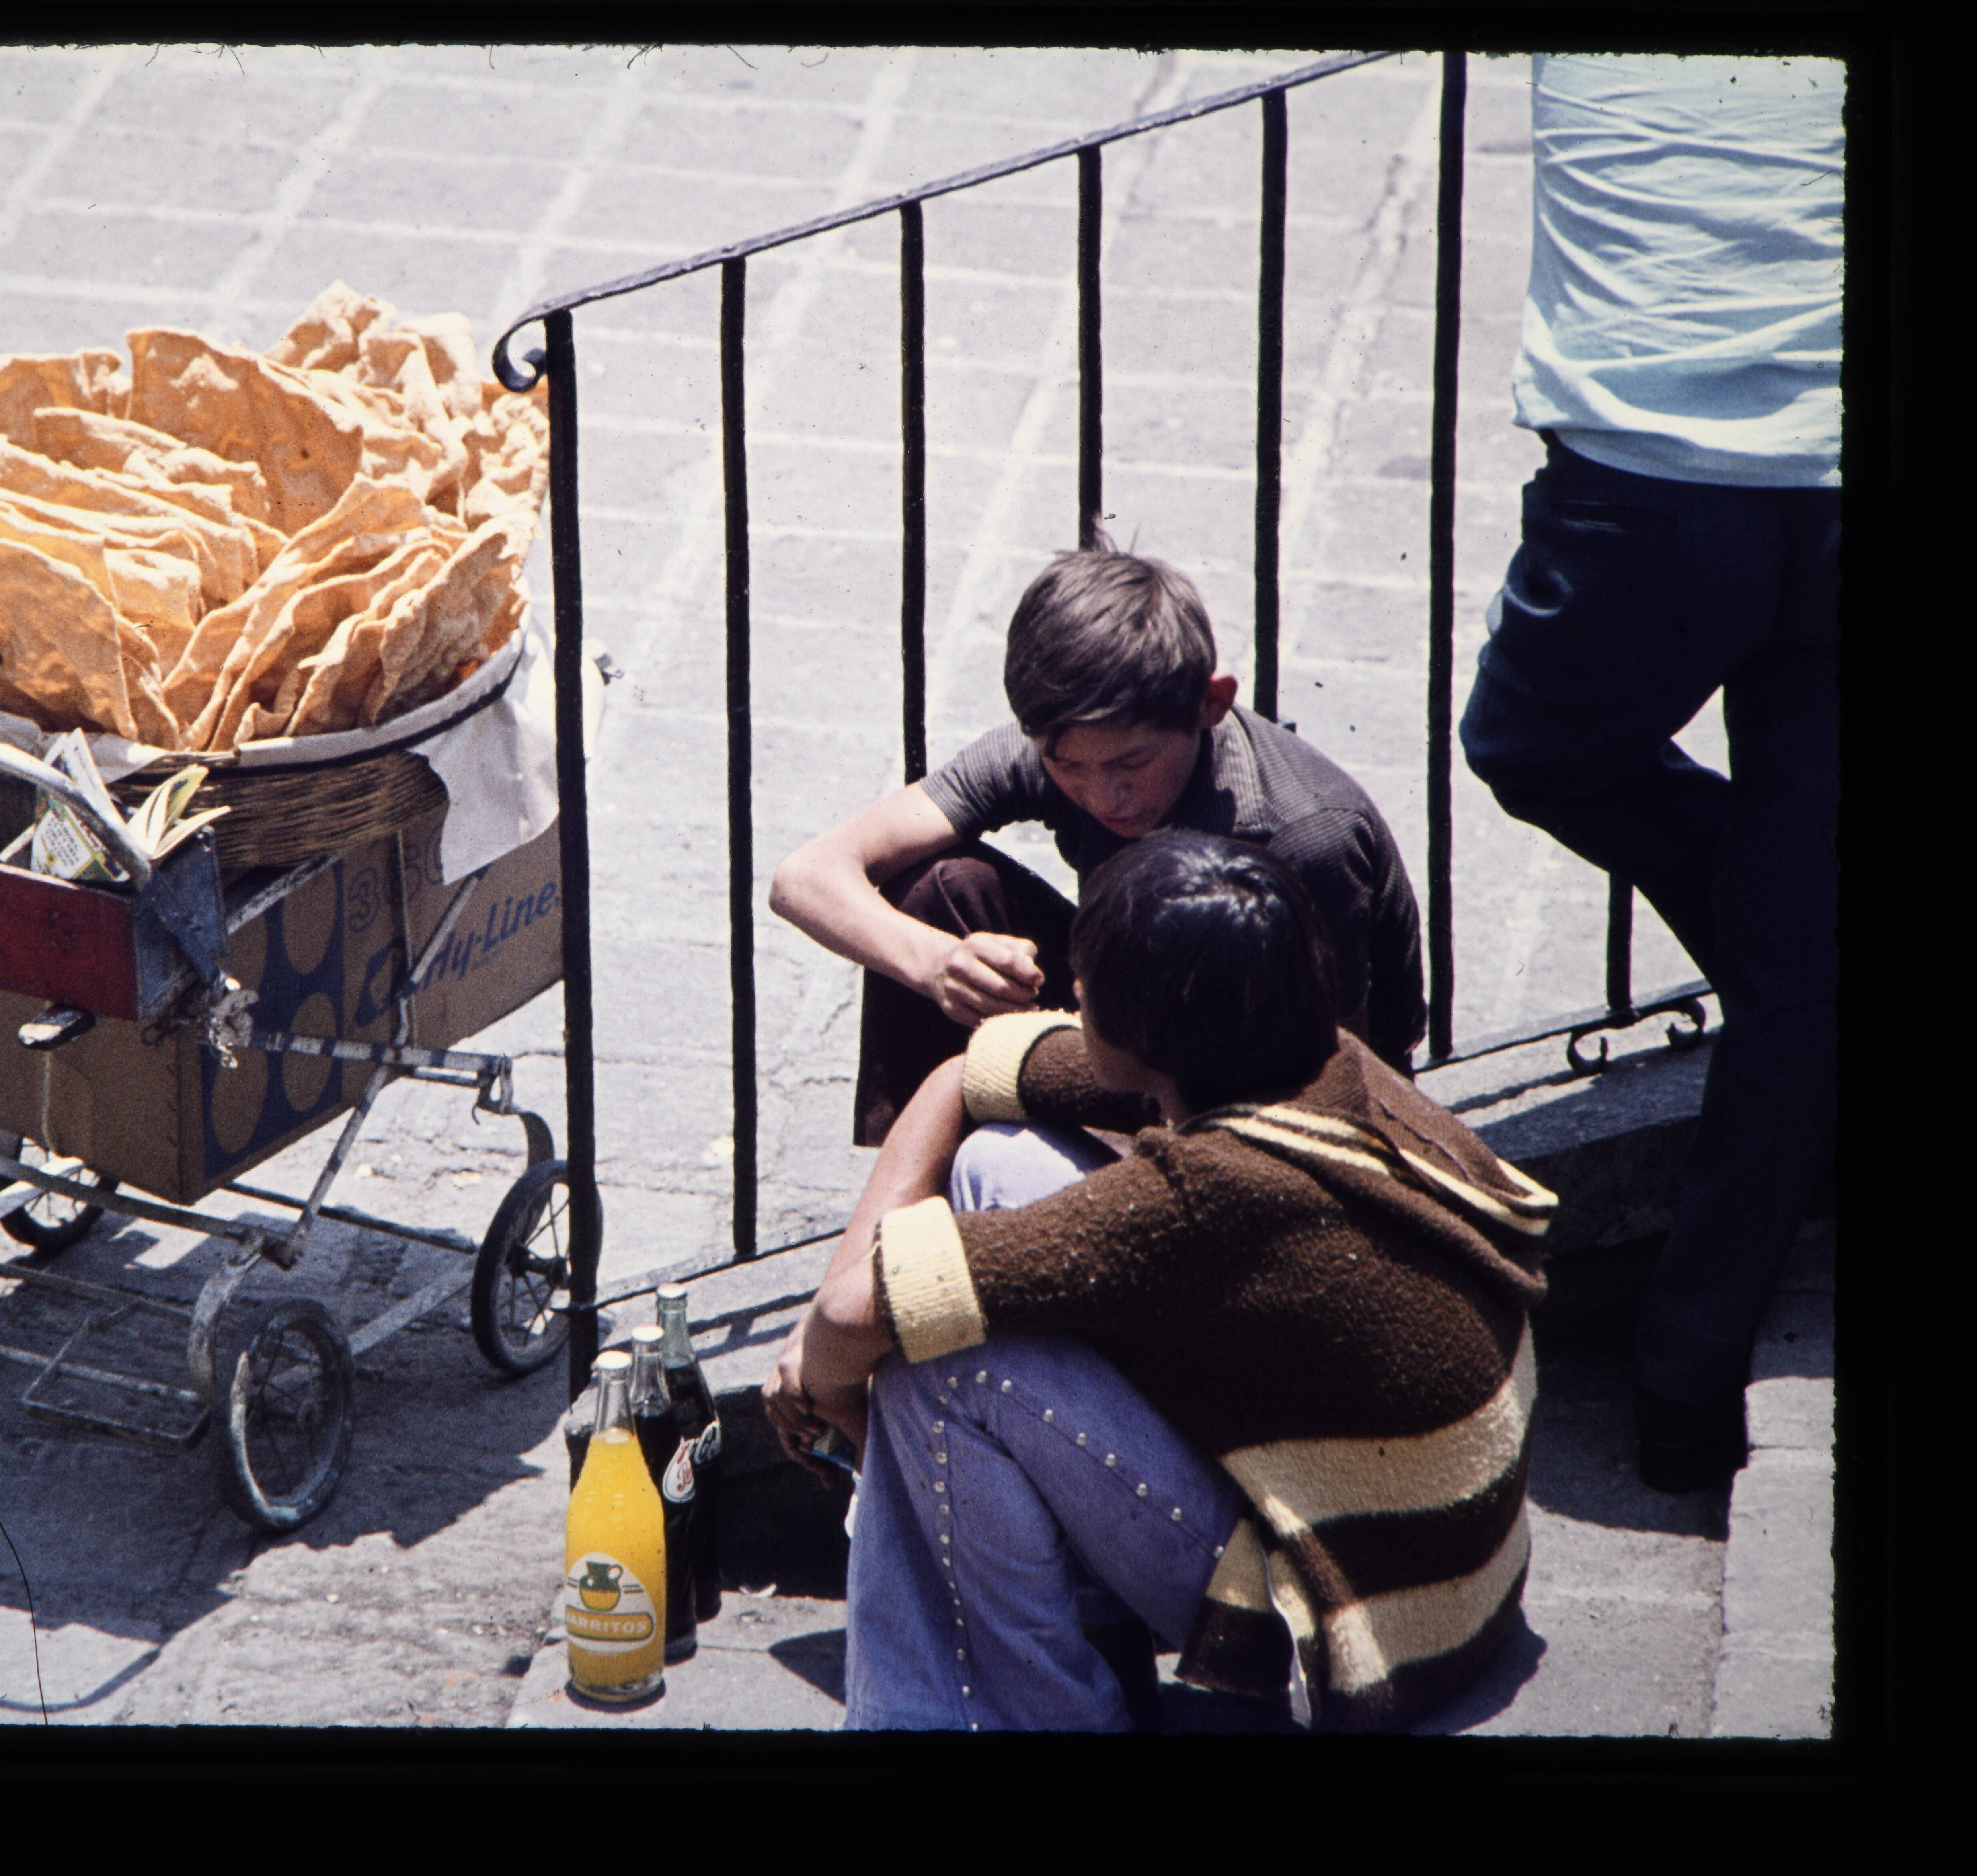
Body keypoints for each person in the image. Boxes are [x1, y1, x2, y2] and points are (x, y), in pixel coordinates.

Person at [764, 833, 1552, 1732]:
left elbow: (855, 1315)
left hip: (1370, 1627)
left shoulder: (1205, 1198)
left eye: (1088, 985)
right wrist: (833, 1326)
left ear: (1142, 1035)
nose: (1074, 994)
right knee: (996, 1161)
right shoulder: (1308, 1057)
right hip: (1448, 1564)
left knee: (933, 1368)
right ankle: (1087, 1646)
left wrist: (833, 1390)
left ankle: (1015, 1721)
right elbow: (964, 1076)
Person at [1459, 55, 1840, 1494]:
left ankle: (1804, 946)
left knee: (1532, 741)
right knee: (1796, 950)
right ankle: (1684, 1384)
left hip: (1649, 473)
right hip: (1829, 467)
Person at [770, 540, 1426, 1149]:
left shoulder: (1303, 836)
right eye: (1068, 767)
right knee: (940, 888)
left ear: (1211, 703)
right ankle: (929, 1173)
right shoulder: (1068, 745)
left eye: (1131, 765)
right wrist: (938, 964)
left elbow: (1340, 1083)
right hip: (1131, 1021)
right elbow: (806, 877)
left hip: (1257, 1083)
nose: (1103, 795)